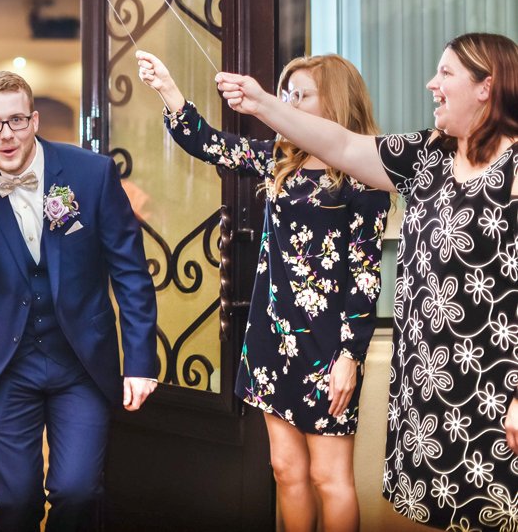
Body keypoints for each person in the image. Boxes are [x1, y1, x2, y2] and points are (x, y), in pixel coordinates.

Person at [214, 33, 518, 530]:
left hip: (496, 383)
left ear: (487, 87)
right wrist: (265, 105)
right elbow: (340, 142)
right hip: (430, 377)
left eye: (445, 74)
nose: (431, 84)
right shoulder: (428, 156)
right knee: (443, 513)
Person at [137, 50, 389, 532]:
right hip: (271, 339)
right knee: (286, 471)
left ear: (335, 101)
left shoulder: (365, 173)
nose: (289, 103)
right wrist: (168, 89)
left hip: (327, 348)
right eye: (286, 93)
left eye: (302, 95)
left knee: (329, 477)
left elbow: (365, 274)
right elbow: (206, 142)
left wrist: (350, 357)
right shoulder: (279, 160)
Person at [0, 70, 159, 532]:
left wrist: (140, 361)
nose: (6, 134)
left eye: (17, 120)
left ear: (35, 120)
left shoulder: (90, 173)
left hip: (80, 362)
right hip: (5, 364)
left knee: (77, 492)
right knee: (17, 504)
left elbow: (131, 273)